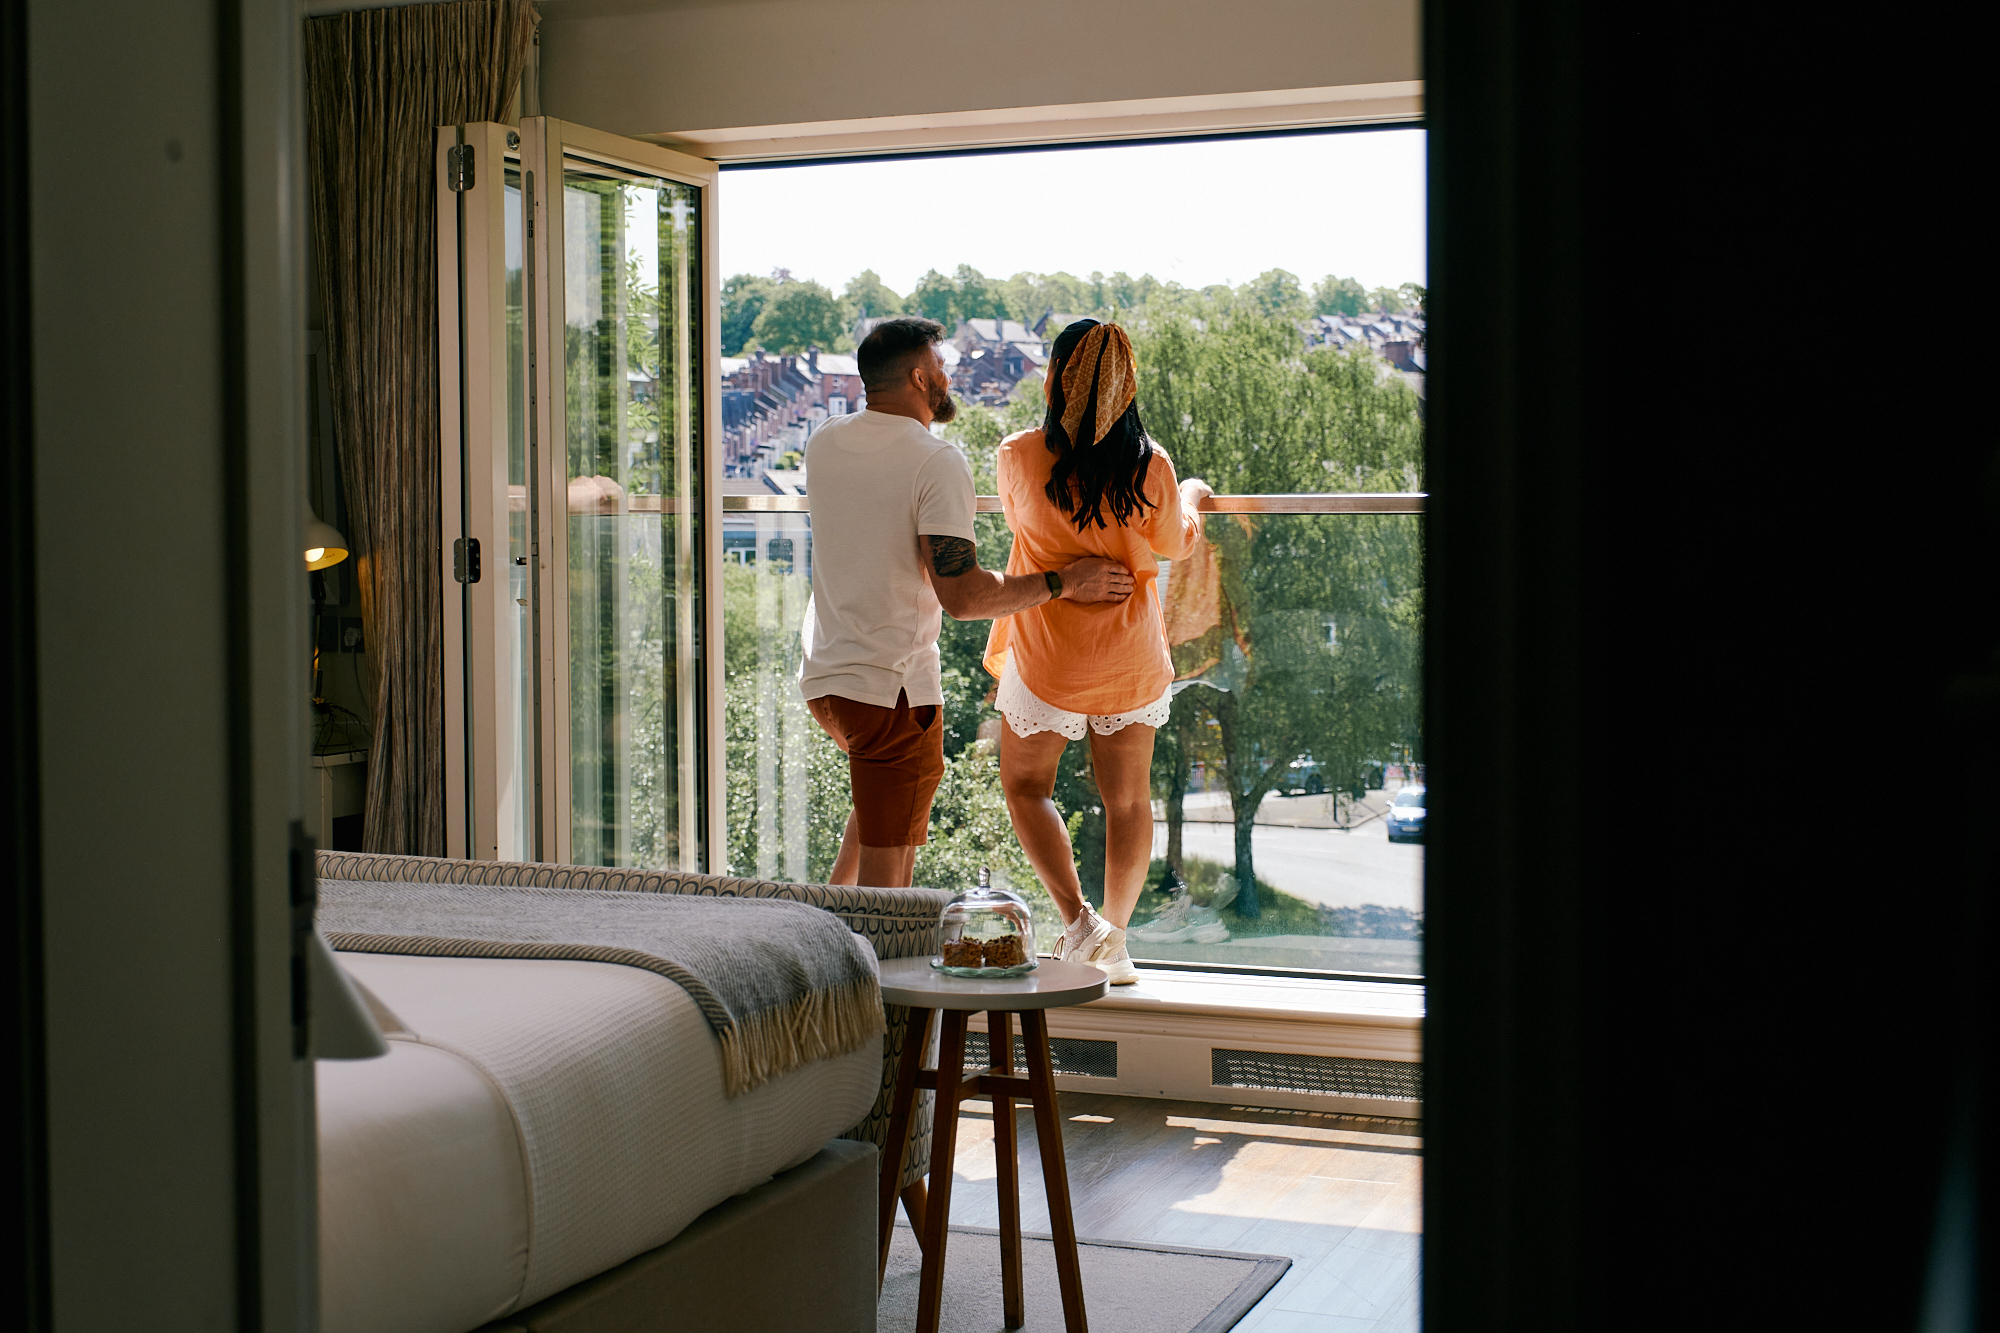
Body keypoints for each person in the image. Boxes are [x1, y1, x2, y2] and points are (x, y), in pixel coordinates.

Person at [800, 316, 1135, 888]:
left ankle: (820, 924)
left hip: (827, 680)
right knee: (888, 884)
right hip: (890, 692)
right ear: (918, 376)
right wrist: (1064, 582)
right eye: (941, 366)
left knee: (880, 802)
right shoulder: (935, 460)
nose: (949, 375)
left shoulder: (825, 440)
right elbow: (964, 596)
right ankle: (869, 973)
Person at [984, 320, 1211, 983]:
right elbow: (1177, 543)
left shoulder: (1017, 455)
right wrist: (1192, 494)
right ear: (1128, 385)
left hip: (1046, 650)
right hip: (1129, 657)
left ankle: (1080, 921)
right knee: (1129, 801)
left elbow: (1017, 522)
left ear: (1055, 378)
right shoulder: (1153, 467)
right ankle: (1115, 938)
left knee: (1026, 786)